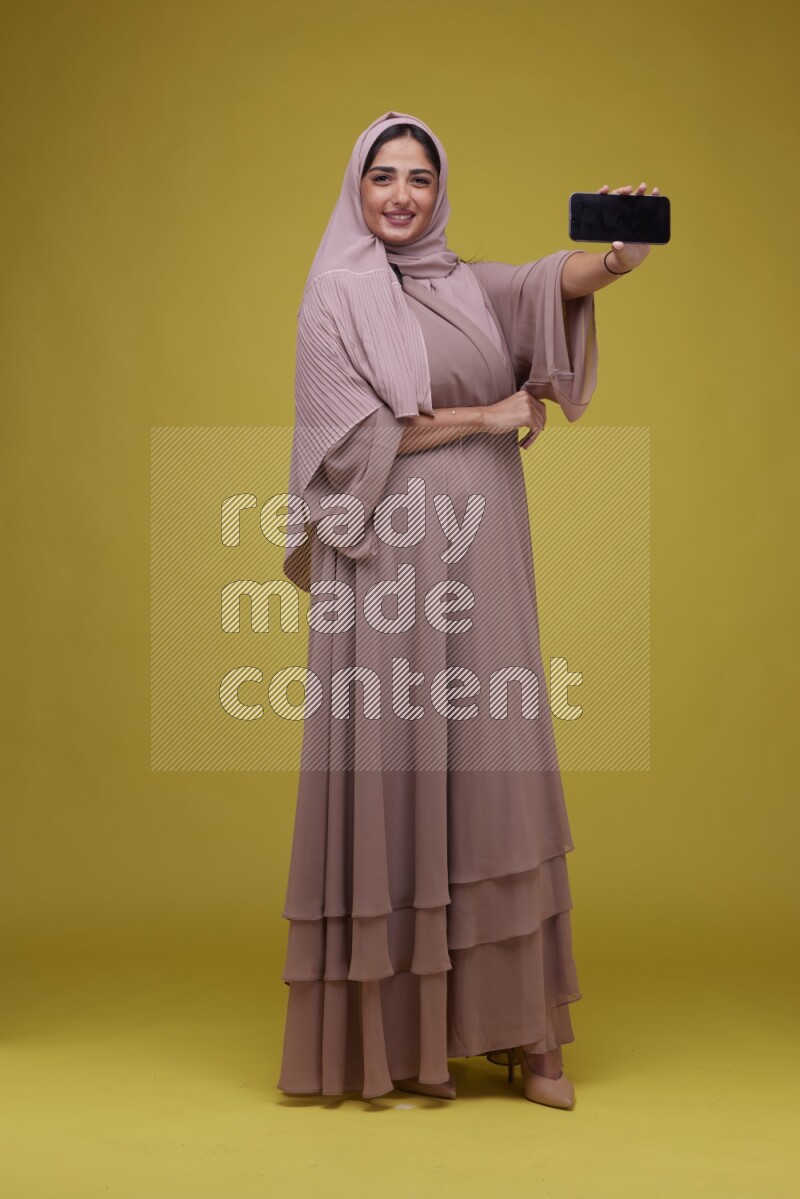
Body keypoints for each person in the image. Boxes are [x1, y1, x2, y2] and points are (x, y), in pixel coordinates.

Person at [275, 109, 657, 1109]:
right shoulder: (334, 297)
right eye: (382, 176)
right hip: (383, 554)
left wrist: (619, 256)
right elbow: (352, 442)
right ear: (357, 188)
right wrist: (487, 414)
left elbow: (549, 283)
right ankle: (396, 1041)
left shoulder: (467, 286)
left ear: (438, 191)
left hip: (482, 545)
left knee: (498, 764)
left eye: (418, 177)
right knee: (394, 764)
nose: (400, 195)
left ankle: (527, 1029)